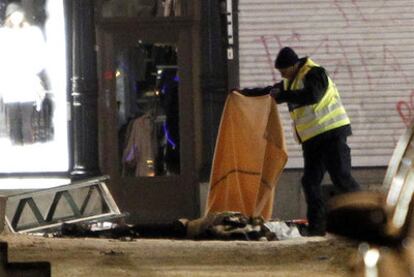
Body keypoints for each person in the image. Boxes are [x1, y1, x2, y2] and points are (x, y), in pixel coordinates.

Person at [234, 47, 360, 236]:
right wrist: (243, 93)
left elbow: (312, 95)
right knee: (310, 182)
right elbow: (270, 91)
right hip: (313, 140)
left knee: (341, 178)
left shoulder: (315, 73)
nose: (282, 75)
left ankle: (369, 219)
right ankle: (317, 228)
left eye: (284, 71)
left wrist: (282, 96)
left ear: (293, 65)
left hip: (332, 135)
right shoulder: (290, 81)